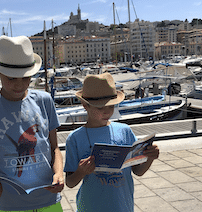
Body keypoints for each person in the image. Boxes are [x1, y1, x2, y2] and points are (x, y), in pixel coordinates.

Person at [0, 35, 64, 212]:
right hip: (9, 204)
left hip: (49, 200)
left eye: (26, 77)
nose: (19, 84)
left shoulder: (44, 101)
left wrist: (59, 174)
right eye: (11, 78)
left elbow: (55, 149)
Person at [64, 72, 159, 212]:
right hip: (90, 207)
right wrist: (81, 171)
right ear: (85, 105)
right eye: (100, 108)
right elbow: (70, 182)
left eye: (111, 106)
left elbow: (138, 171)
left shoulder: (125, 131)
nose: (106, 112)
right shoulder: (75, 138)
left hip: (123, 206)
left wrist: (150, 158)